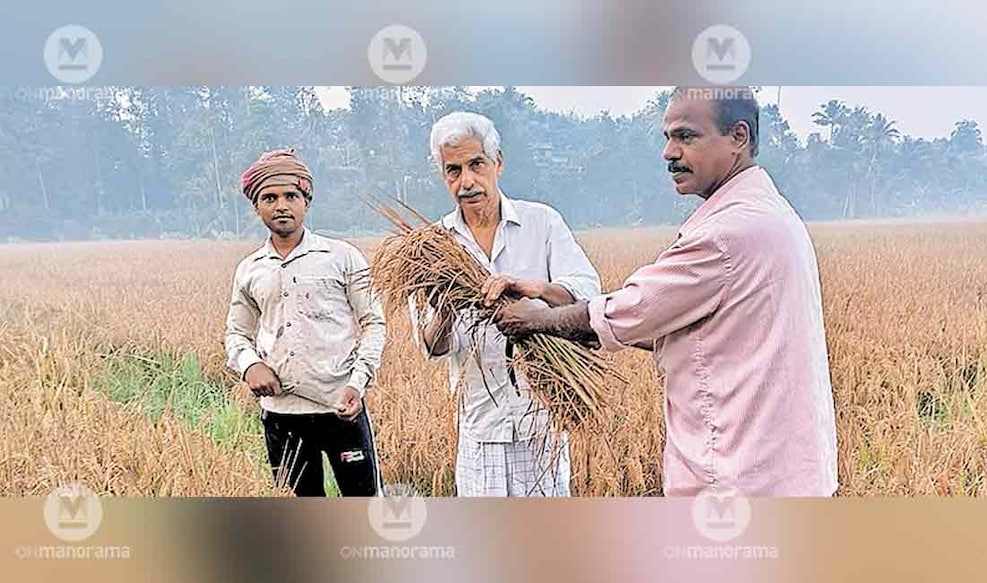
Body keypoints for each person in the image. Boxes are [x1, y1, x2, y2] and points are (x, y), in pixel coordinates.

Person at [493, 87, 839, 497]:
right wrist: (563, 304)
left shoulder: (726, 233)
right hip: (785, 473)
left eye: (686, 136)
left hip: (737, 481)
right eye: (667, 138)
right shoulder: (770, 213)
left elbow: (629, 312)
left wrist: (537, 320)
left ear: (738, 138)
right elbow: (684, 330)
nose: (669, 153)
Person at [416, 111, 601, 497]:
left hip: (541, 422)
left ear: (498, 162)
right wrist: (448, 308)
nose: (466, 182)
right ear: (443, 176)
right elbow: (430, 346)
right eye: (453, 171)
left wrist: (530, 290)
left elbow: (585, 293)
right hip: (480, 429)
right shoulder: (433, 247)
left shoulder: (542, 223)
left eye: (476, 165)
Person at [224, 148, 386, 496]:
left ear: (306, 201)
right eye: (269, 197)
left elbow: (374, 323)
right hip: (282, 414)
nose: (281, 205)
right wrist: (250, 365)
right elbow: (236, 332)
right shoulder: (250, 269)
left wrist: (357, 384)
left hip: (341, 408)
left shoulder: (342, 257)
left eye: (290, 196)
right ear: (257, 207)